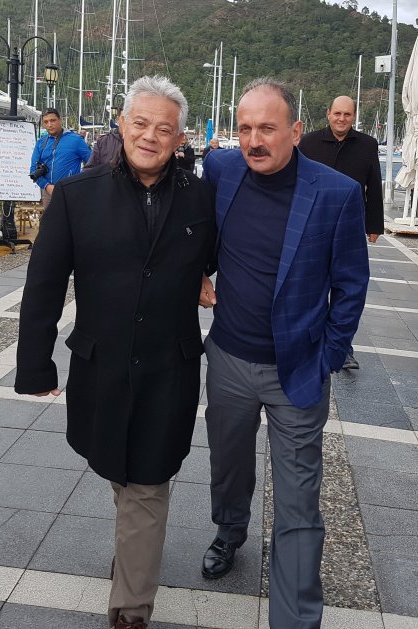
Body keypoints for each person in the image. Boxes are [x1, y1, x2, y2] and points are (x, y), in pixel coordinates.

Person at [15, 75, 216, 629]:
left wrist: (206, 278)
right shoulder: (77, 195)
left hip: (169, 366)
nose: (150, 136)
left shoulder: (202, 197)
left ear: (180, 138)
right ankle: (135, 550)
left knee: (148, 480)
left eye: (164, 129)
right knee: (119, 471)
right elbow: (43, 284)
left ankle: (130, 607)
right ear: (122, 125)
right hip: (101, 364)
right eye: (141, 123)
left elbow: (219, 255)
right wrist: (35, 364)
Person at [199, 78, 369, 629]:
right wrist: (198, 270)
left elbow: (351, 286)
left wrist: (328, 355)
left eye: (267, 129)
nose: (254, 140)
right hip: (228, 359)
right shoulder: (221, 170)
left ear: (295, 132)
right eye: (245, 128)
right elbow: (193, 229)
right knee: (228, 465)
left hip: (297, 370)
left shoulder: (336, 193)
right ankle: (230, 531)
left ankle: (296, 618)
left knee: (298, 501)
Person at [298, 95, 383, 369]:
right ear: (328, 114)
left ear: (354, 116)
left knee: (347, 288)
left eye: (347, 114)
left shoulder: (367, 144)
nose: (341, 119)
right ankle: (308, 339)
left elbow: (374, 185)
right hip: (313, 226)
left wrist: (374, 225)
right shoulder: (308, 142)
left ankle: (343, 347)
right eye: (337, 113)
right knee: (311, 284)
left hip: (350, 229)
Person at [30, 108, 91, 209]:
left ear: (60, 120)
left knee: (72, 219)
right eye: (46, 122)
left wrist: (79, 180)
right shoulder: (41, 142)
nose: (49, 124)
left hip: (71, 192)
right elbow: (33, 170)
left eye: (52, 120)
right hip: (48, 193)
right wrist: (47, 186)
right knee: (51, 219)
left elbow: (92, 163)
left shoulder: (76, 140)